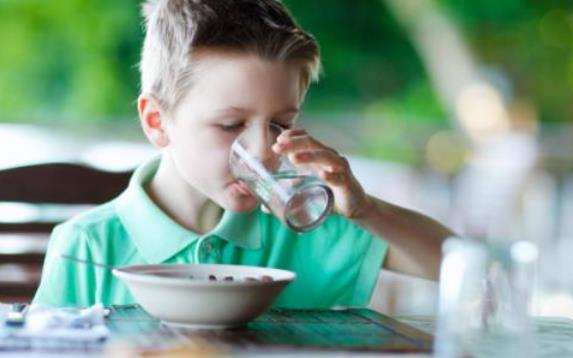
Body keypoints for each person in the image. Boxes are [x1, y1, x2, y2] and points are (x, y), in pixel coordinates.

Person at [33, 0, 453, 307]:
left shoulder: (304, 227)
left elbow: (459, 268)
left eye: (280, 125)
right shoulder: (86, 247)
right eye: (231, 125)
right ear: (158, 122)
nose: (263, 152)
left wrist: (367, 212)